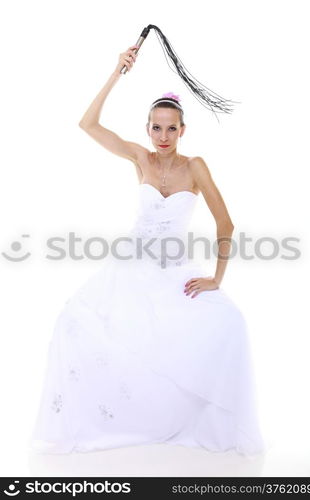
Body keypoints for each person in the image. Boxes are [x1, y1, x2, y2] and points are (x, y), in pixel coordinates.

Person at [28, 46, 266, 457]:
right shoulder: (139, 158)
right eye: (156, 128)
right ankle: (115, 420)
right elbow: (87, 123)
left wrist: (216, 279)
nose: (163, 137)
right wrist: (117, 72)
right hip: (130, 266)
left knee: (230, 323)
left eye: (171, 129)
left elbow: (225, 224)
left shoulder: (195, 167)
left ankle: (186, 419)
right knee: (72, 322)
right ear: (147, 129)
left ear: (182, 130)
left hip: (175, 269)